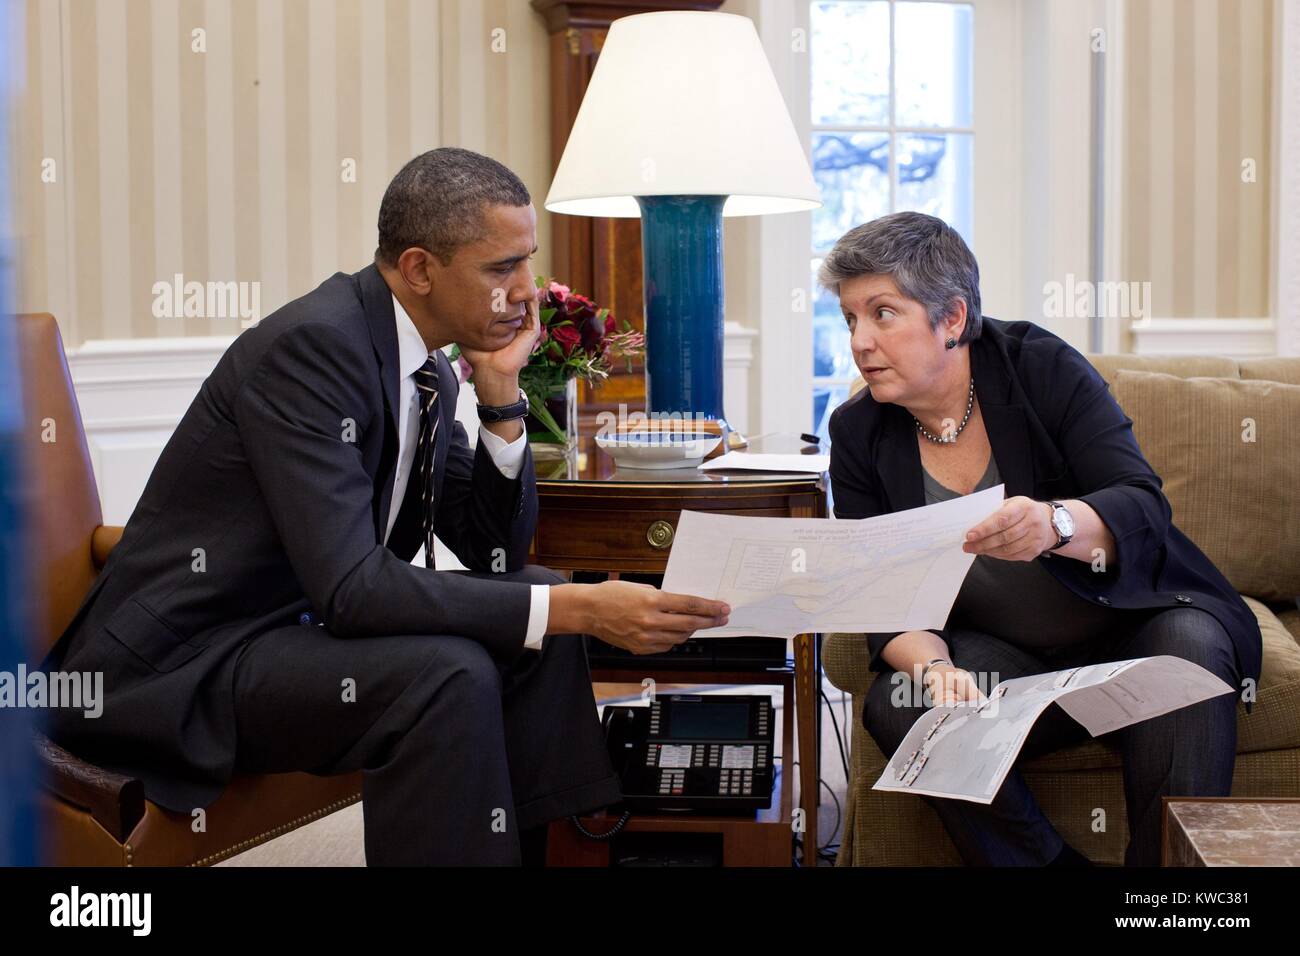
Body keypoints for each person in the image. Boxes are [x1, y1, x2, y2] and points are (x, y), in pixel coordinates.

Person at [42, 147, 730, 865]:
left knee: (539, 611)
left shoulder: (424, 362)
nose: (527, 290)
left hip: (288, 629)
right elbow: (352, 590)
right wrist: (586, 608)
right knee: (448, 672)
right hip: (187, 661)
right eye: (501, 269)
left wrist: (500, 397)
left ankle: (540, 854)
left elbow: (496, 551)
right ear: (420, 268)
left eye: (527, 261)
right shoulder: (313, 349)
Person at [823, 211, 1260, 866]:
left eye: (882, 314)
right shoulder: (858, 433)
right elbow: (885, 606)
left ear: (950, 319)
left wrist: (1054, 524)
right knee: (901, 702)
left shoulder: (1040, 367)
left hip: (1133, 623)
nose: (860, 341)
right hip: (1005, 654)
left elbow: (1141, 504)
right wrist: (937, 671)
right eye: (850, 318)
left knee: (1189, 658)